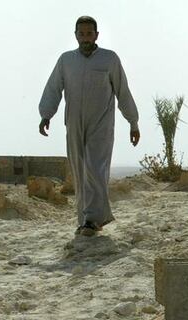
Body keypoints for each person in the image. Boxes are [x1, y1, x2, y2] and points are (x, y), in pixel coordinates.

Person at [39, 16, 140, 236]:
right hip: (74, 123)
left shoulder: (109, 59)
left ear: (96, 35)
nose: (85, 38)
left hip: (101, 123)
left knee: (95, 169)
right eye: (81, 34)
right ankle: (85, 220)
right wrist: (46, 115)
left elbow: (123, 92)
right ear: (76, 35)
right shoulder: (66, 60)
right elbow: (53, 88)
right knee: (79, 170)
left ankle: (93, 219)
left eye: (89, 33)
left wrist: (133, 122)